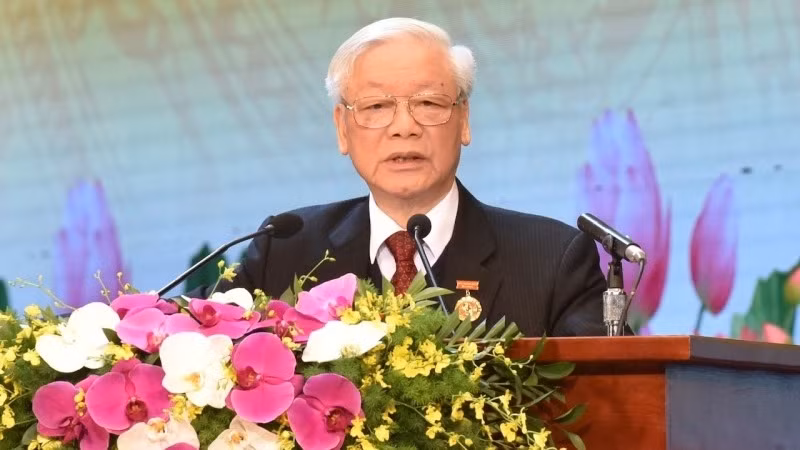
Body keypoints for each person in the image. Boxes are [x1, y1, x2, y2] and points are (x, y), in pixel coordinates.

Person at [214, 18, 607, 336]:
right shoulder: (283, 250)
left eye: (428, 103)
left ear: (464, 120)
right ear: (342, 128)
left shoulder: (553, 260)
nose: (404, 127)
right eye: (377, 106)